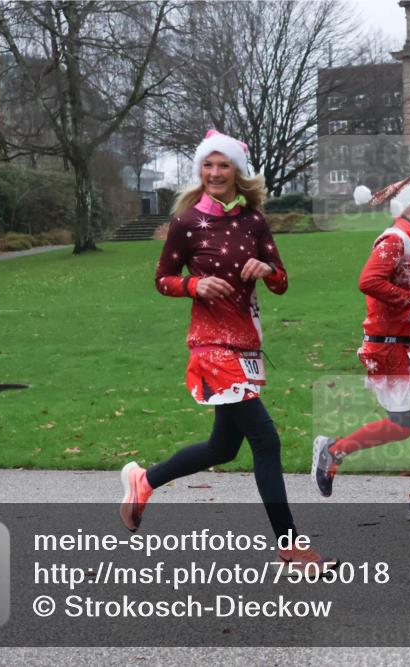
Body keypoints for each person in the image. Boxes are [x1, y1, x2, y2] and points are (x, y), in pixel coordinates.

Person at [120, 129, 332, 565]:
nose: (215, 173)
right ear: (200, 170)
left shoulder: (253, 220)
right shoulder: (186, 222)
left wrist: (266, 268)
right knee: (266, 440)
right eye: (208, 165)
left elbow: (281, 281)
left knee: (223, 448)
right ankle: (291, 546)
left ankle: (145, 480)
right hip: (210, 345)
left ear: (237, 171)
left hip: (247, 344)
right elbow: (163, 279)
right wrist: (194, 284)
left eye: (224, 165)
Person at [311, 177, 410, 522]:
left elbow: (407, 292)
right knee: (402, 425)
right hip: (389, 347)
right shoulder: (393, 240)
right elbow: (368, 281)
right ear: (407, 207)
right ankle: (333, 450)